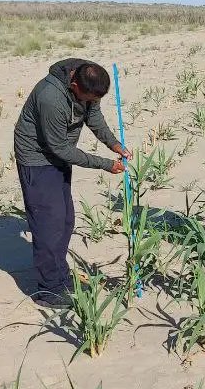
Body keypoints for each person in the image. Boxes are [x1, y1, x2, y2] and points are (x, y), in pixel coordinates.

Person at [13, 58, 129, 305]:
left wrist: (113, 143)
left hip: (57, 154)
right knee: (48, 224)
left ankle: (59, 276)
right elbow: (60, 149)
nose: (91, 103)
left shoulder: (90, 82)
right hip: (37, 158)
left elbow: (94, 117)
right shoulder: (50, 98)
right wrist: (106, 164)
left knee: (65, 219)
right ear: (75, 87)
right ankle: (49, 290)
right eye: (88, 98)